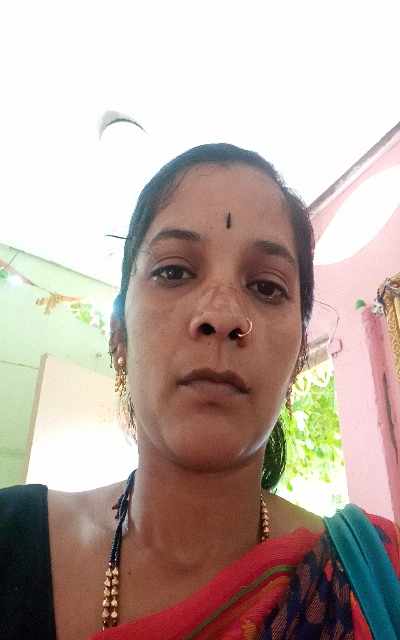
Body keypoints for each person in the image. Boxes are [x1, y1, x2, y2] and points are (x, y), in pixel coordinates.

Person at [1, 143, 399, 640]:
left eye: (267, 286)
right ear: (119, 334)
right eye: (174, 271)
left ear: (299, 356)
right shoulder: (9, 537)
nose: (222, 315)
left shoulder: (375, 578)